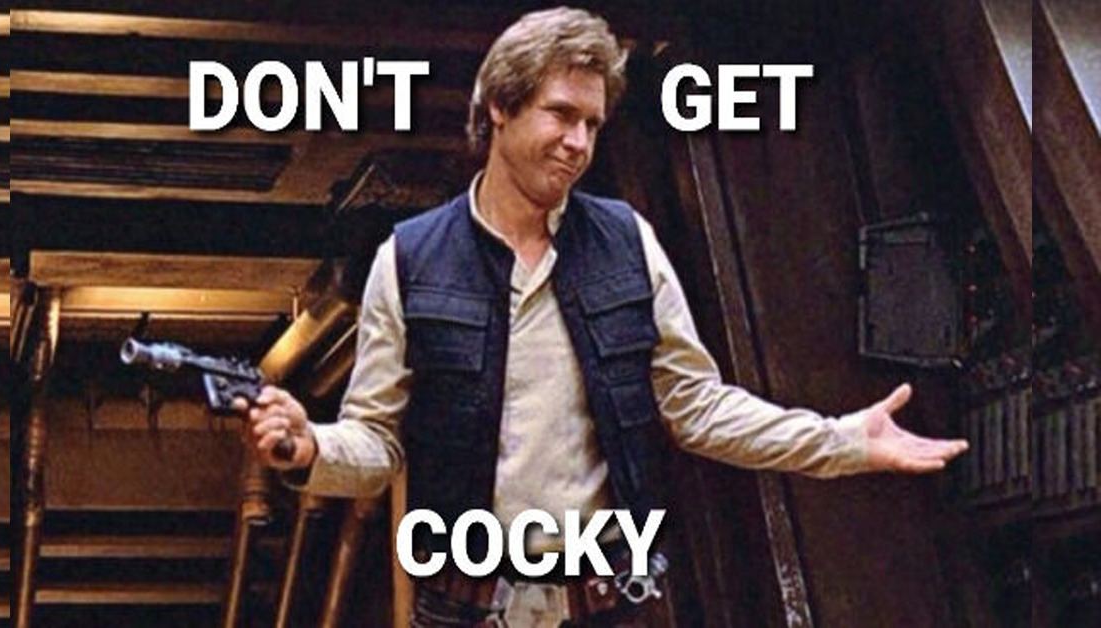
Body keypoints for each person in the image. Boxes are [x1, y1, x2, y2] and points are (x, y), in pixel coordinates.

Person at [236, 7, 969, 626]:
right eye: (561, 114)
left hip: (606, 605)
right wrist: (310, 447)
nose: (579, 143)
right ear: (500, 107)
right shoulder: (411, 257)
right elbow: (378, 441)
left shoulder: (626, 241)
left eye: (592, 123)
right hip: (464, 609)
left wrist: (844, 441)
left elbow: (697, 407)